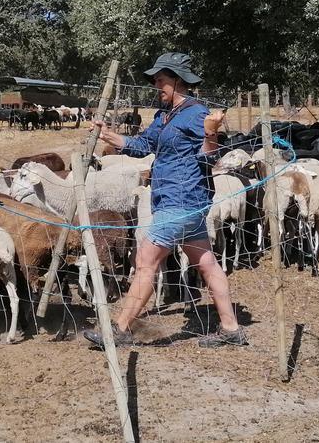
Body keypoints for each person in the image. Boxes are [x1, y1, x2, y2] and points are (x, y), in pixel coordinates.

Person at [82, 52, 248, 348]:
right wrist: (110, 137)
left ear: (177, 81)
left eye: (160, 80)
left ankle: (119, 329)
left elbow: (210, 156)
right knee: (207, 263)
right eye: (155, 80)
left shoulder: (196, 113)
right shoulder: (164, 115)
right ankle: (231, 328)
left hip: (180, 200)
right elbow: (143, 144)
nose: (156, 85)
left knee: (145, 261)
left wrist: (211, 133)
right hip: (182, 202)